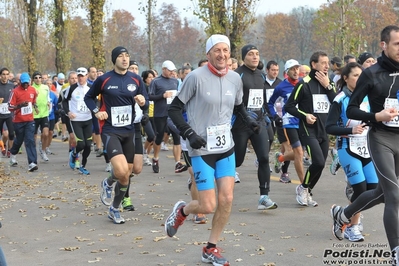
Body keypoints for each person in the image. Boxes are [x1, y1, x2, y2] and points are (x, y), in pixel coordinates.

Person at [166, 34, 259, 266]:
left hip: (225, 147)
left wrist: (248, 120)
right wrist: (189, 134)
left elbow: (238, 106)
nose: (222, 55)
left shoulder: (235, 79)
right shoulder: (195, 78)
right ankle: (182, 211)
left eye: (225, 51)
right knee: (207, 205)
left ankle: (211, 247)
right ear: (208, 54)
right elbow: (175, 110)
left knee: (226, 199)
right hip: (200, 148)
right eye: (217, 50)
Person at [331, 25, 399, 264]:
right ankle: (396, 253)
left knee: (382, 193)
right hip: (381, 138)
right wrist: (376, 117)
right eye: (397, 44)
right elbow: (352, 108)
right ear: (384, 45)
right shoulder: (372, 74)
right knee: (394, 195)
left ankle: (344, 213)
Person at [84, 46, 148, 224]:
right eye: (120, 56)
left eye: (127, 56)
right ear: (114, 60)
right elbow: (89, 98)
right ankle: (109, 183)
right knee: (121, 171)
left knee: (126, 174)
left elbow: (145, 100)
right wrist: (97, 111)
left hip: (129, 131)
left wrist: (143, 102)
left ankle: (114, 208)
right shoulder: (104, 79)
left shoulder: (135, 79)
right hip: (110, 130)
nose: (125, 59)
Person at [326, 62, 378, 242]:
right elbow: (329, 127)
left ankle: (340, 213)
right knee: (360, 189)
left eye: (361, 75)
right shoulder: (340, 99)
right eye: (355, 75)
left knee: (374, 189)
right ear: (345, 78)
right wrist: (350, 130)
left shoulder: (369, 97)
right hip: (347, 147)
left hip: (367, 147)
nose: (359, 78)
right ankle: (352, 227)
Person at [285, 51, 337, 207]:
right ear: (314, 65)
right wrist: (305, 115)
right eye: (323, 63)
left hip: (324, 130)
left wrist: (328, 86)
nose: (327, 66)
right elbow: (289, 106)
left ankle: (306, 190)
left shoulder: (330, 83)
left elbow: (336, 104)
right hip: (308, 130)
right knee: (319, 161)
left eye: (328, 63)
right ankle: (303, 188)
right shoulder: (304, 83)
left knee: (320, 166)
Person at [232, 44, 277, 209]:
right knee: (237, 161)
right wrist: (245, 117)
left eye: (257, 54)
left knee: (264, 158)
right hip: (240, 124)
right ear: (243, 57)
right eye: (251, 54)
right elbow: (235, 102)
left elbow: (262, 101)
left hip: (258, 123)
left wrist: (269, 116)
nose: (255, 57)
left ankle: (264, 197)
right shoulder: (237, 75)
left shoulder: (261, 75)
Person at [268, 59, 304, 184]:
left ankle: (281, 158)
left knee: (301, 154)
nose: (295, 71)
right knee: (298, 152)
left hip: (303, 122)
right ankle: (304, 186)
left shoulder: (303, 84)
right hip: (288, 122)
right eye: (292, 69)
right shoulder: (281, 87)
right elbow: (270, 103)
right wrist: (275, 116)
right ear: (287, 72)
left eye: (297, 68)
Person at [149, 60, 185, 174]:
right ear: (163, 69)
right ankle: (155, 158)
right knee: (159, 137)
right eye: (170, 70)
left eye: (173, 71)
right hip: (160, 114)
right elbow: (149, 96)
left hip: (173, 113)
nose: (172, 73)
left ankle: (177, 163)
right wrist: (162, 96)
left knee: (177, 136)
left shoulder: (175, 81)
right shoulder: (156, 82)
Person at [63, 67, 93, 175]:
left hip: (88, 119)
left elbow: (97, 101)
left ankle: (83, 166)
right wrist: (68, 112)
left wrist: (96, 110)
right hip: (76, 120)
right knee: (81, 144)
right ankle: (74, 154)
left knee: (88, 145)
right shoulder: (71, 88)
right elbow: (64, 102)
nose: (80, 78)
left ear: (87, 76)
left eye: (82, 76)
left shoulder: (91, 88)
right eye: (78, 76)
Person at [8, 72, 39, 171]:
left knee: (30, 140)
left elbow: (33, 101)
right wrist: (20, 105)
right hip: (18, 121)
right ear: (20, 81)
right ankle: (13, 153)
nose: (26, 84)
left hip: (30, 120)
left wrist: (36, 107)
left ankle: (32, 163)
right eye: (24, 82)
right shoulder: (15, 91)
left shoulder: (33, 90)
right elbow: (10, 106)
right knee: (19, 140)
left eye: (27, 82)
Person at [31, 71, 51, 162]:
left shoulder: (46, 87)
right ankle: (33, 152)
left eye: (40, 77)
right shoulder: (31, 88)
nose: (38, 79)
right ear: (33, 79)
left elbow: (47, 98)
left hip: (44, 114)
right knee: (34, 137)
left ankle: (43, 151)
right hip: (34, 115)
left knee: (46, 133)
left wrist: (48, 103)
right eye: (36, 78)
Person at [0, 68, 15, 157]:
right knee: (5, 135)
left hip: (9, 113)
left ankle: (10, 150)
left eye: (7, 74)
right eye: (3, 74)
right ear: (0, 76)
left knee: (11, 134)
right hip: (0, 114)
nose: (5, 76)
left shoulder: (12, 86)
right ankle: (3, 146)